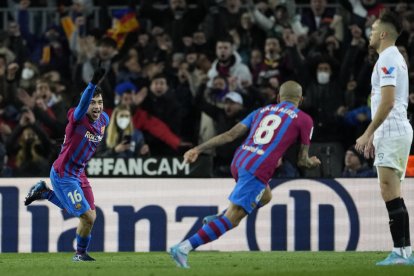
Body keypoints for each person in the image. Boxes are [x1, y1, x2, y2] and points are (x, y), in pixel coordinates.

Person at [169, 80, 321, 268]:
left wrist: (198, 149)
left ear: (278, 97)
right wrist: (311, 163)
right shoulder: (305, 119)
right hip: (258, 168)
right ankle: (183, 247)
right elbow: (302, 160)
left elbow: (230, 135)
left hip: (239, 160)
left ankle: (218, 218)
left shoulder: (262, 111)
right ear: (301, 99)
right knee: (233, 219)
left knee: (265, 196)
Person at [23, 65, 107, 262]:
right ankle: (79, 255)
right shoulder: (76, 119)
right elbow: (81, 107)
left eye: (100, 102)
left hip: (80, 173)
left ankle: (44, 192)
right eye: (92, 102)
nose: (96, 107)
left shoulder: (104, 120)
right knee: (87, 216)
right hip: (64, 174)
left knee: (89, 217)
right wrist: (93, 83)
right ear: (84, 105)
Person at [355, 10, 414, 265]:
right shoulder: (393, 57)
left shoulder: (388, 59)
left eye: (372, 29)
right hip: (392, 130)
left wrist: (368, 133)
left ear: (382, 33)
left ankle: (401, 253)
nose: (369, 33)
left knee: (389, 190)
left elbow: (388, 102)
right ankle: (404, 251)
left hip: (392, 129)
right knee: (392, 191)